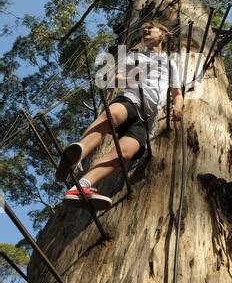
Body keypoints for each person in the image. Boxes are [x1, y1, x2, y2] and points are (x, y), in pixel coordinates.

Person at [57, 20, 184, 210]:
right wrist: (131, 78)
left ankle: (80, 187)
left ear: (163, 34)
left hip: (148, 119)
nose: (146, 31)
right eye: (143, 30)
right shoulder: (134, 57)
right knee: (113, 114)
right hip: (132, 99)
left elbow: (177, 93)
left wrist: (178, 107)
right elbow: (115, 80)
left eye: (150, 28)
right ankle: (76, 156)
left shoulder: (170, 63)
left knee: (125, 153)